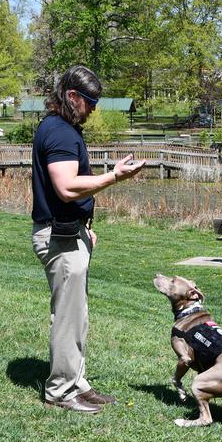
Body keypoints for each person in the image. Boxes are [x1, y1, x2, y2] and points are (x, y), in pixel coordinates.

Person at [31, 65, 146, 414]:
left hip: (70, 232)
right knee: (67, 317)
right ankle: (61, 392)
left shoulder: (62, 129)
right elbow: (65, 188)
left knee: (76, 315)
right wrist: (113, 177)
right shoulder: (61, 133)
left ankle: (76, 383)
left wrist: (84, 225)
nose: (94, 109)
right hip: (59, 238)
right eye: (90, 102)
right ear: (71, 97)